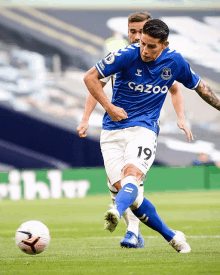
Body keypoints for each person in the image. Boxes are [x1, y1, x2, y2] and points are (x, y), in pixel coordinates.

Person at [83, 18, 220, 253]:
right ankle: (172, 236)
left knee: (132, 177)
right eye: (142, 44)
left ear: (164, 45)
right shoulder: (126, 54)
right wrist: (109, 107)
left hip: (144, 129)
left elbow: (199, 87)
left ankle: (117, 212)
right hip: (112, 130)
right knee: (130, 195)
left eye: (151, 46)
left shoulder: (175, 61)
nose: (144, 50)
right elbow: (90, 78)